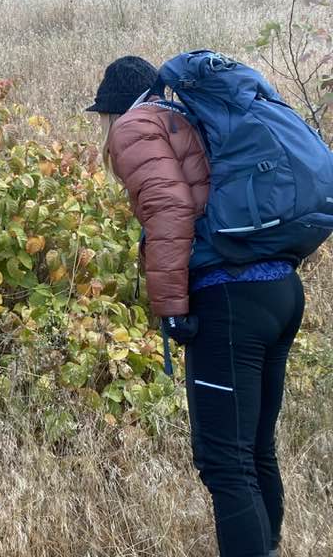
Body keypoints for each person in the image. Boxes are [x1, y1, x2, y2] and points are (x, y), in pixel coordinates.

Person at [88, 55, 304, 557]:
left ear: (113, 109)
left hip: (231, 301)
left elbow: (169, 207)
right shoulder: (186, 118)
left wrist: (171, 305)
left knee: (226, 464)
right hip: (278, 290)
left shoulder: (135, 127)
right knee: (253, 451)